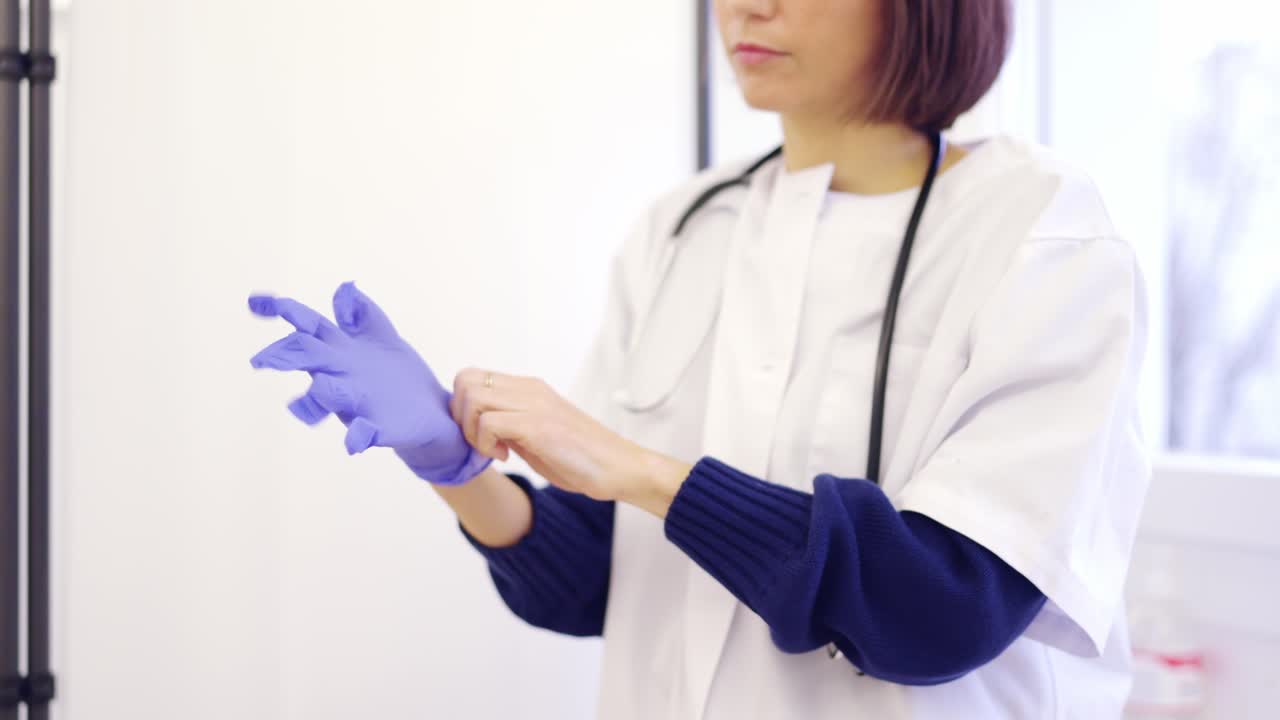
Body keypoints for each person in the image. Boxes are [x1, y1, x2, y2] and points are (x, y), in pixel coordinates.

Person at [246, 0, 1151, 717]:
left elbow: (943, 609)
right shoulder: (683, 229)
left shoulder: (1041, 233)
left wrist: (638, 470)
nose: (746, 8)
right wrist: (457, 466)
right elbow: (599, 582)